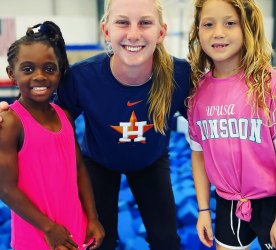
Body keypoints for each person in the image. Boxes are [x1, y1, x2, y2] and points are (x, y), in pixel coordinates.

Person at [0, 0, 191, 249]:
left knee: (166, 239)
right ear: (106, 30)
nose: (133, 34)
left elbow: (209, 114)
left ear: (161, 32)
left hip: (150, 161)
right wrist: (8, 112)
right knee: (100, 239)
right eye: (122, 22)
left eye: (145, 22)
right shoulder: (82, 77)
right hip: (99, 162)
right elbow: (43, 113)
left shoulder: (180, 75)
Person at [187, 0, 276, 249]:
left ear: (247, 27)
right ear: (197, 32)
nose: (218, 32)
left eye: (230, 23)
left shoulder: (274, 86)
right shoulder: (197, 94)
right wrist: (204, 209)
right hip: (228, 201)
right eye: (208, 24)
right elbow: (198, 155)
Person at [0, 21, 105, 250]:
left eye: (49, 69)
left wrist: (93, 217)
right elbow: (6, 188)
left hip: (73, 229)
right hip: (37, 235)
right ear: (12, 74)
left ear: (60, 71)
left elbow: (78, 169)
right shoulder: (10, 123)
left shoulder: (64, 116)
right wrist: (49, 229)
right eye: (28, 69)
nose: (39, 76)